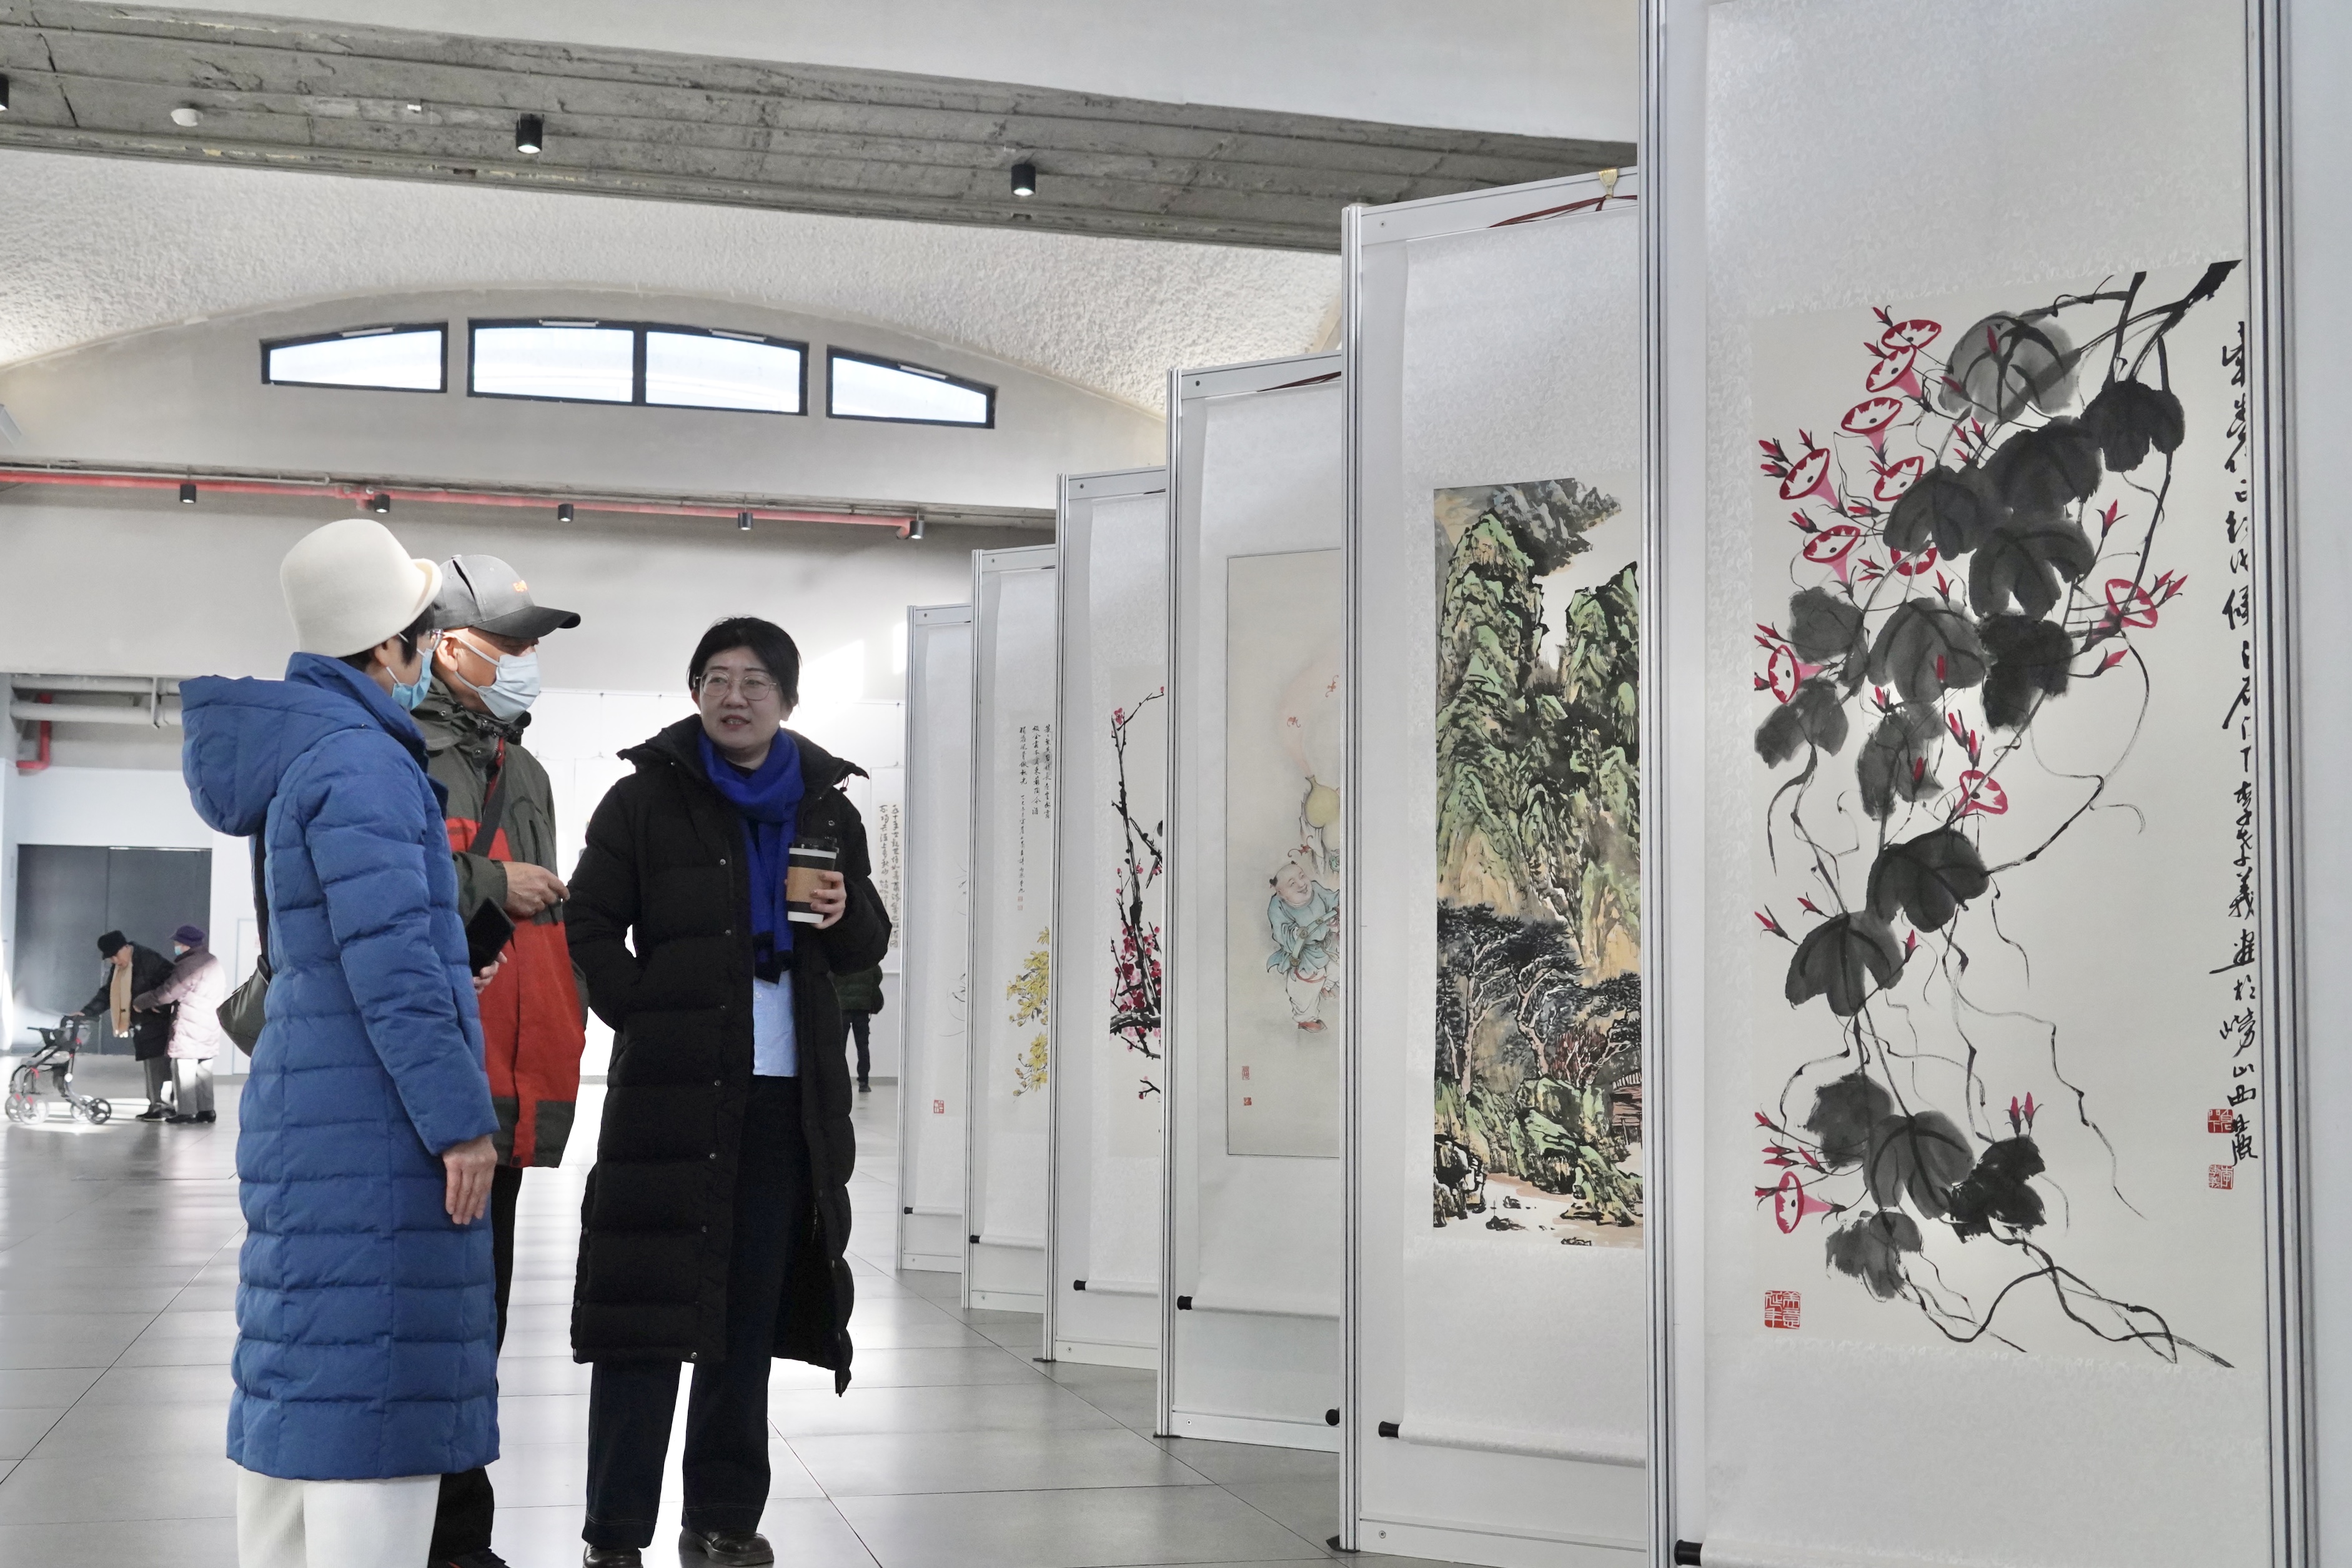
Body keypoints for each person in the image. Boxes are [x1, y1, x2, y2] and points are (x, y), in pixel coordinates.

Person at [179, 517, 504, 1568]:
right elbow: (394, 965)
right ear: (389, 646)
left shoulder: (304, 752)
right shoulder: (365, 762)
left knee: (302, 1385)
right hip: (377, 1129)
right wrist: (461, 1122)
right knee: (374, 1403)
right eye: (423, 636)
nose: (428, 655)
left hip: (310, 1113)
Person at [568, 616, 889, 1568]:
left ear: (787, 698)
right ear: (694, 692)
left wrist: (847, 909)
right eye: (715, 677)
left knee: (744, 1319)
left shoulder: (827, 807)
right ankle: (614, 1533)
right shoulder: (643, 799)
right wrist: (644, 1013)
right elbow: (589, 923)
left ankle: (722, 1518)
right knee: (644, 1316)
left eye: (754, 680)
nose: (732, 695)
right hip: (670, 1091)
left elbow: (864, 941)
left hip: (786, 1096)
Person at [417, 555, 587, 1568]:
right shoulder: (399, 748)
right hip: (430, 1091)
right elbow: (381, 892)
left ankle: (460, 1542)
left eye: (530, 644)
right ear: (445, 646)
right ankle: (417, 1540)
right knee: (426, 1328)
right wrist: (488, 882)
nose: (525, 659)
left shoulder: (524, 771)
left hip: (504, 1093)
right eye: (509, 642)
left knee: (477, 1325)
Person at [73, 931, 176, 1118]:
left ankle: (163, 1106)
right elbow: (108, 993)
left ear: (126, 948)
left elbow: (172, 985)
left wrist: (159, 1005)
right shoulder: (121, 967)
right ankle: (156, 1105)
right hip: (142, 1024)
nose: (114, 961)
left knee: (158, 1065)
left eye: (115, 955)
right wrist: (86, 1012)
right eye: (110, 958)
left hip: (158, 1023)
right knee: (152, 1065)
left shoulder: (148, 959)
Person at [133, 923, 227, 1124]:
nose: (176, 946)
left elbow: (168, 993)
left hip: (190, 1025)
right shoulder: (212, 961)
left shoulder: (188, 965)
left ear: (186, 944)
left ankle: (187, 1113)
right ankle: (207, 1111)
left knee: (184, 1068)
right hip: (210, 1023)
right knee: (204, 1070)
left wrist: (141, 1003)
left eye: (178, 943)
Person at [830, 965, 883, 1093]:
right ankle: (864, 1083)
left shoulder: (840, 959)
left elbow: (831, 977)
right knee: (863, 1046)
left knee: (840, 1047)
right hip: (862, 1008)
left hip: (842, 1007)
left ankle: (838, 1081)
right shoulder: (868, 960)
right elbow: (878, 976)